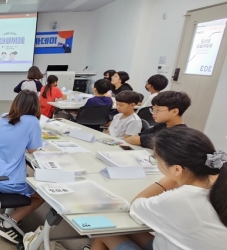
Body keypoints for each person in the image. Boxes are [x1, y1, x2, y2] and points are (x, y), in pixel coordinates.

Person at [89, 127, 227, 250]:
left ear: (177, 169)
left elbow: (136, 207)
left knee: (104, 233)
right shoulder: (220, 184)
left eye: (155, 158)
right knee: (128, 232)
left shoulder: (180, 198)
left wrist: (166, 181)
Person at [0, 90, 45, 244]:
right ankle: (7, 223)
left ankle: (11, 214)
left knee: (24, 176)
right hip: (6, 181)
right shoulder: (32, 122)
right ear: (35, 106)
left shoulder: (3, 117)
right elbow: (33, 150)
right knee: (42, 194)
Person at [125, 91, 190, 148]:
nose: (153, 113)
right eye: (153, 109)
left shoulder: (177, 134)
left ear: (174, 112)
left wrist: (132, 139)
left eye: (157, 110)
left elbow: (133, 140)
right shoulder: (162, 125)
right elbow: (134, 137)